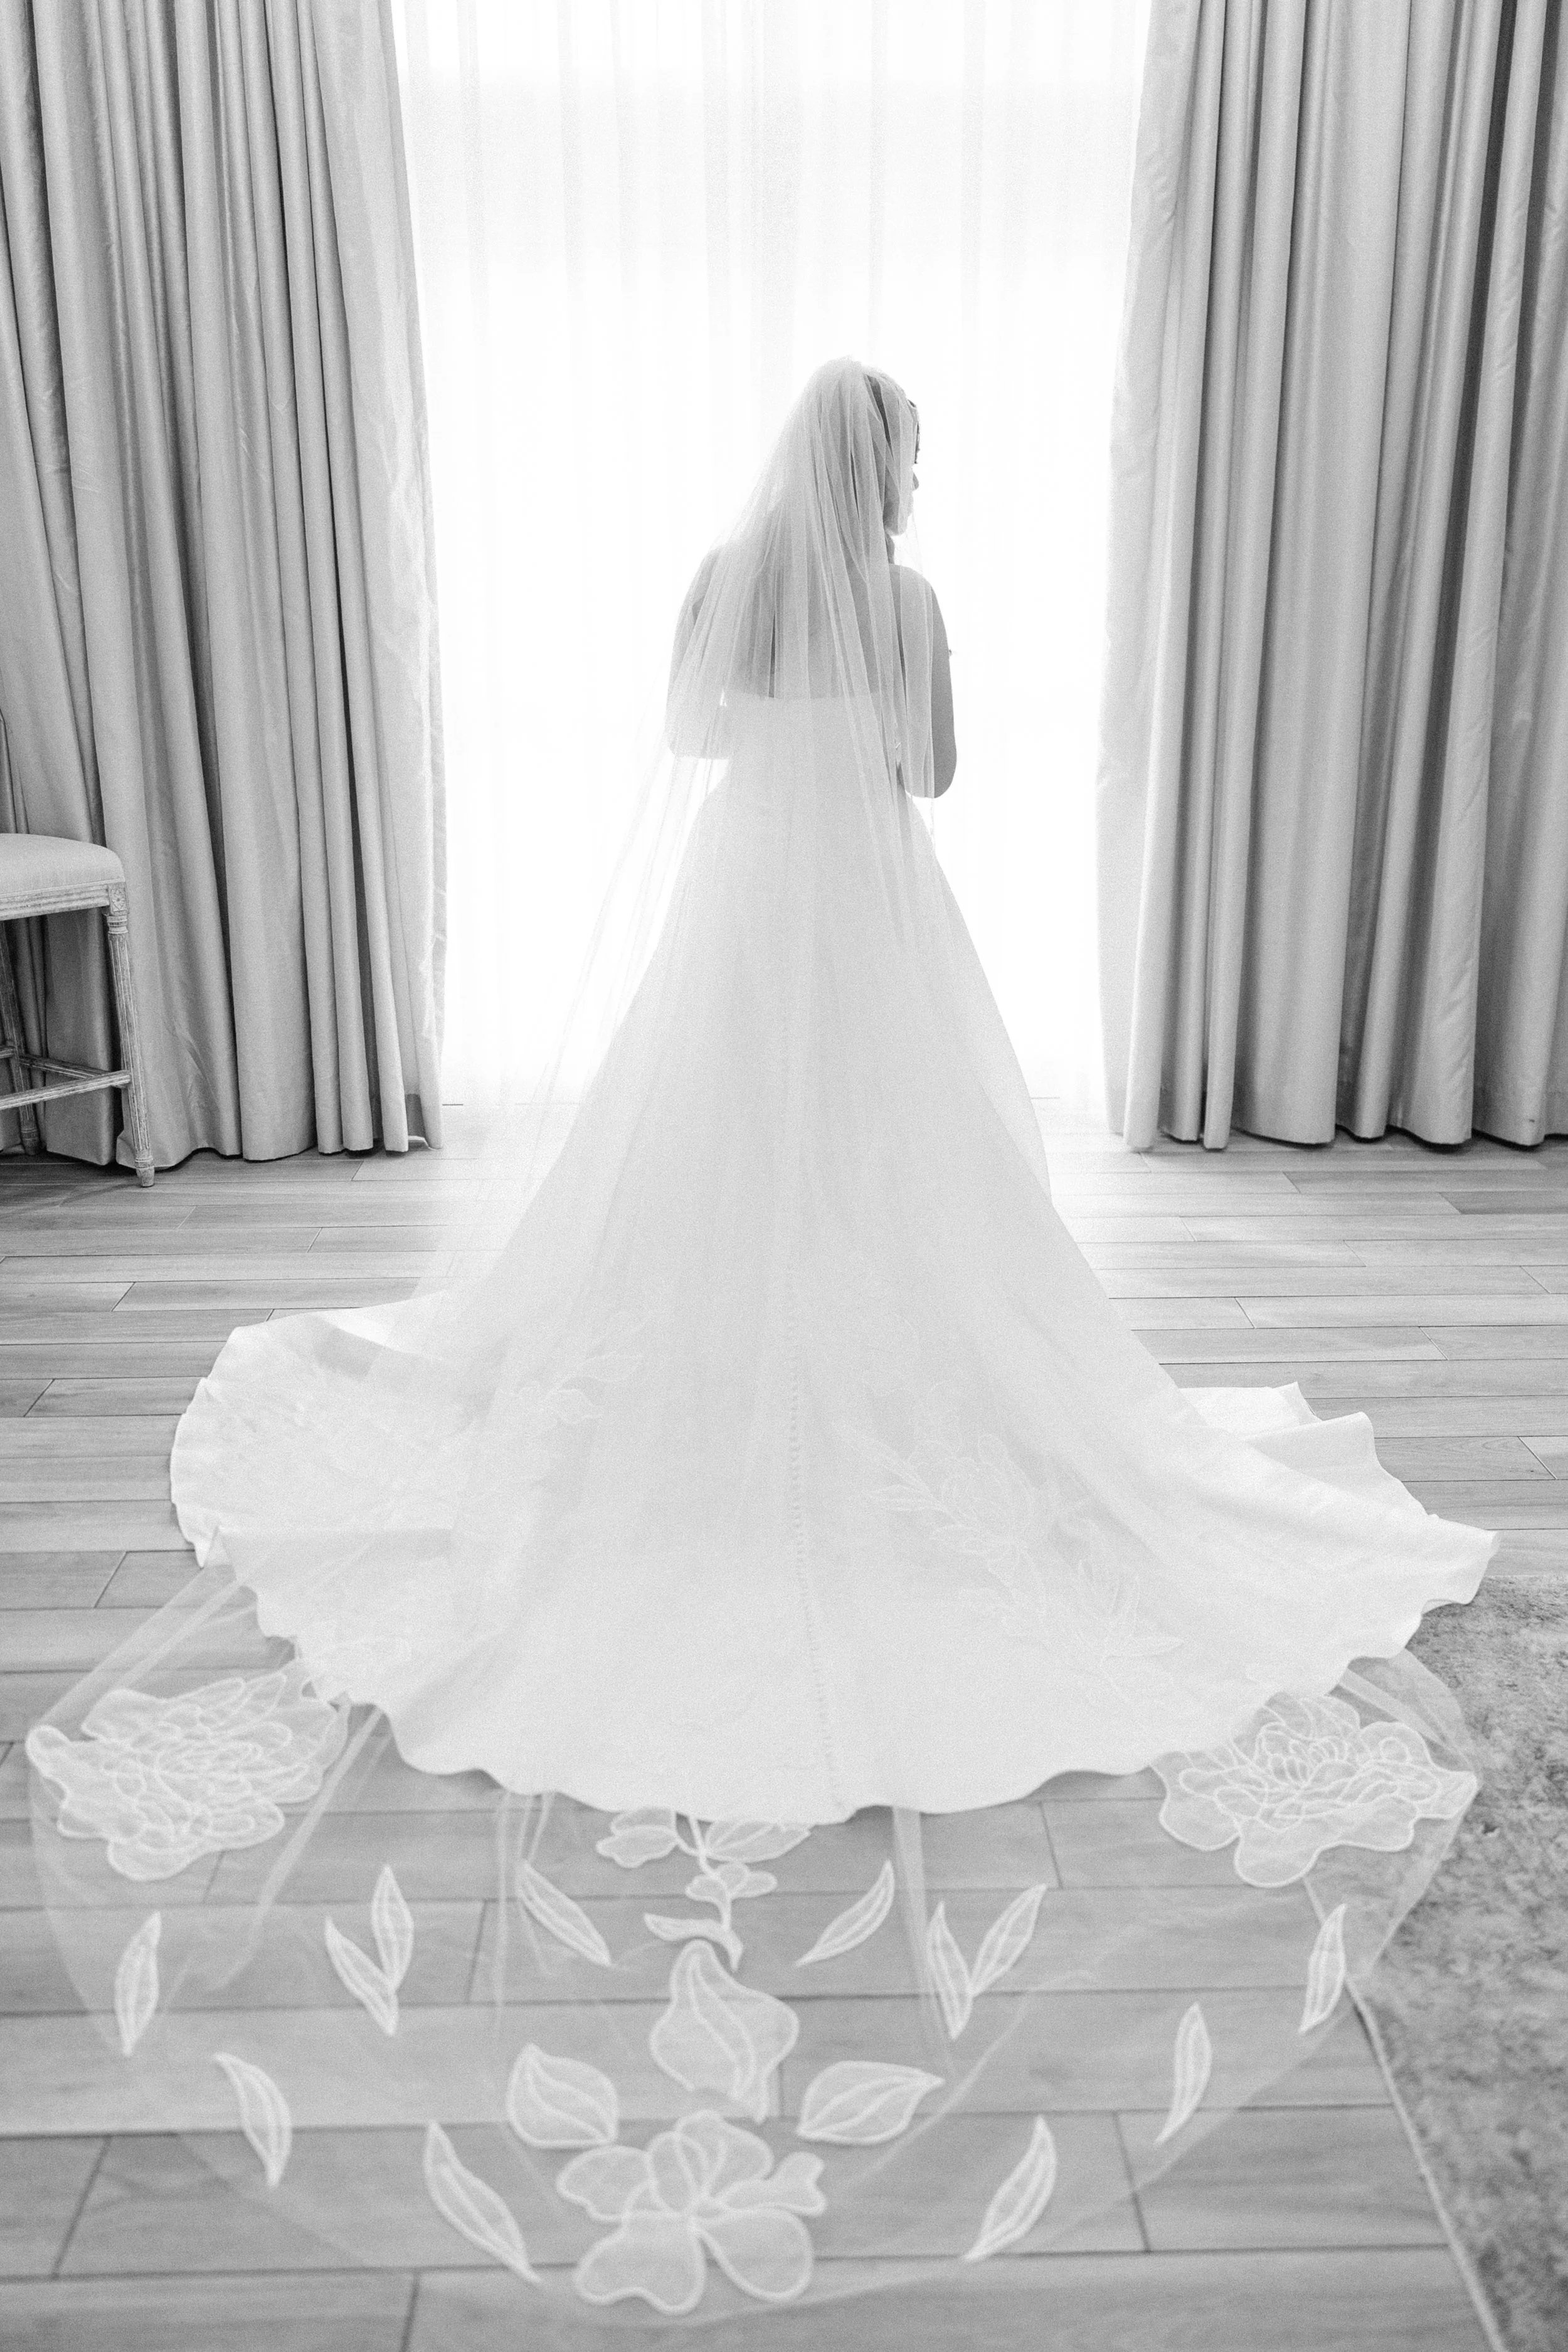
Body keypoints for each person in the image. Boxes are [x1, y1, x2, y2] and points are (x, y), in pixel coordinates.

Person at [26, 358, 1493, 2326]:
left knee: (695, 1172)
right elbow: (936, 777)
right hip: (868, 914)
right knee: (915, 1182)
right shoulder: (909, 601)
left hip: (741, 920)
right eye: (914, 454)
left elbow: (690, 736)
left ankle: (716, 1386)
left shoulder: (724, 570)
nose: (916, 477)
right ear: (877, 467)